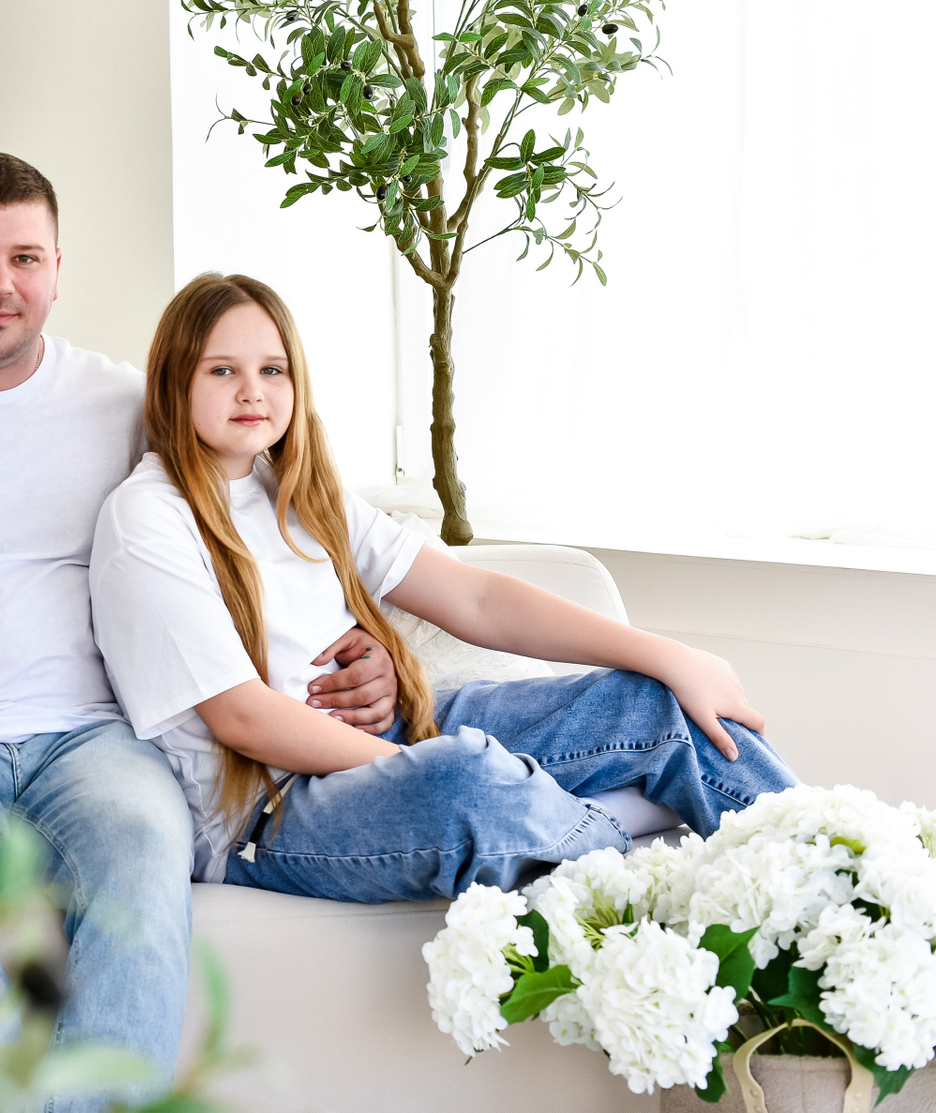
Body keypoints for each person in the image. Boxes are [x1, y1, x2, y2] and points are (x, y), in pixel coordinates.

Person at [0, 153, 402, 1102]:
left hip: (92, 739)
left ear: (58, 270)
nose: (0, 284)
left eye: (25, 258)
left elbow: (267, 524)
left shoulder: (127, 404)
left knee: (144, 849)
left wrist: (367, 641)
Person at [89, 272, 798, 902]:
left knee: (652, 701)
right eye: (222, 370)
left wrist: (670, 655)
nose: (253, 390)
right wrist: (419, 765)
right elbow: (242, 717)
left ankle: (832, 877)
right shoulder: (148, 517)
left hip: (386, 738)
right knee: (464, 781)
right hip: (271, 811)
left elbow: (476, 600)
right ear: (175, 382)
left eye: (273, 369)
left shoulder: (298, 491)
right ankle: (619, 822)